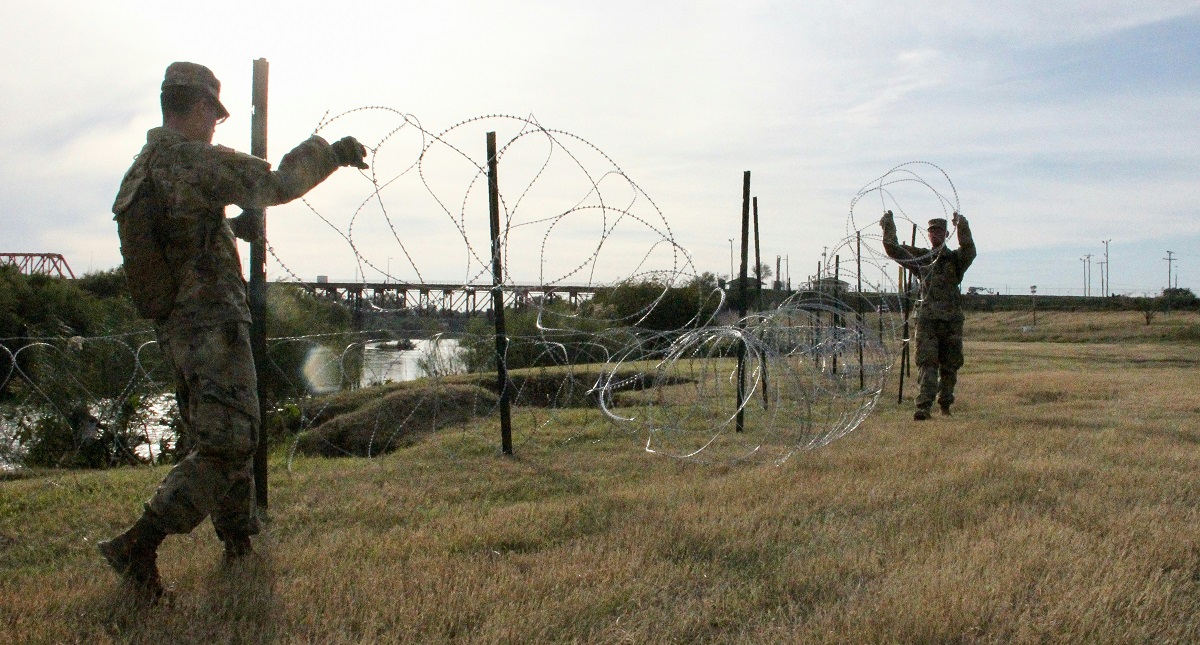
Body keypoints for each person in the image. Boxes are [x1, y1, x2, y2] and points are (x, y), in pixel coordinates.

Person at [100, 61, 368, 599]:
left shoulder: (145, 166)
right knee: (229, 440)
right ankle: (139, 542)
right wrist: (331, 151)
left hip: (177, 327)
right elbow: (274, 184)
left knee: (225, 435)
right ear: (198, 107)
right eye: (214, 116)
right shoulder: (193, 160)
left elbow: (180, 234)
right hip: (212, 324)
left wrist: (227, 227)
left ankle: (239, 543)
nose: (215, 126)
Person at [880, 210, 976, 421]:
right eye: (931, 231)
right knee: (927, 363)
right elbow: (894, 250)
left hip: (951, 320)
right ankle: (924, 406)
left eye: (939, 231)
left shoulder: (955, 259)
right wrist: (888, 226)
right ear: (928, 235)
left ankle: (945, 404)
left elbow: (970, 250)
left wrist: (962, 226)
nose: (935, 235)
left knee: (950, 365)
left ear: (946, 233)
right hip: (927, 320)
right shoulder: (923, 259)